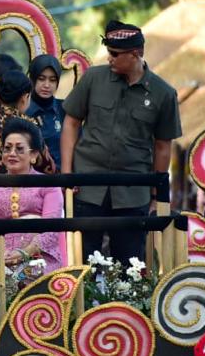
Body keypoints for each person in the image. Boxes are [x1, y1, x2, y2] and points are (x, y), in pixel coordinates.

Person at [61, 20, 182, 266]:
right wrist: (67, 175)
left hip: (132, 193)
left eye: (115, 54)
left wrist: (155, 195)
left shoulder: (164, 94)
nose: (110, 58)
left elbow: (162, 147)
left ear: (136, 54)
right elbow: (71, 123)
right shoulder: (93, 78)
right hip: (87, 187)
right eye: (109, 52)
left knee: (130, 267)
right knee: (81, 266)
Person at [0, 119, 65, 276]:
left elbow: (52, 229)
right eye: (7, 148)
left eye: (19, 149)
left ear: (34, 155)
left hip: (39, 259)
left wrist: (25, 252)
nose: (12, 153)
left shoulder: (49, 185)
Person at [25, 54, 66, 170]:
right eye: (41, 79)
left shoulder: (64, 109)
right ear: (32, 79)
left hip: (64, 177)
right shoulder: (23, 111)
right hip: (33, 178)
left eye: (52, 80)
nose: (47, 85)